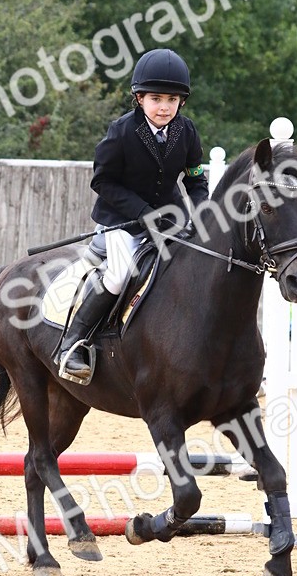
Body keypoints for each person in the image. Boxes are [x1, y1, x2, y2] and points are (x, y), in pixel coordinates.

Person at [58, 48, 209, 382]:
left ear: (181, 102)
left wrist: (197, 213)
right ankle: (74, 343)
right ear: (139, 98)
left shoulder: (187, 132)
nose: (164, 107)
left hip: (170, 221)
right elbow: (102, 181)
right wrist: (143, 214)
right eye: (156, 99)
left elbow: (196, 180)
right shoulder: (122, 131)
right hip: (121, 222)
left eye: (172, 99)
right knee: (119, 273)